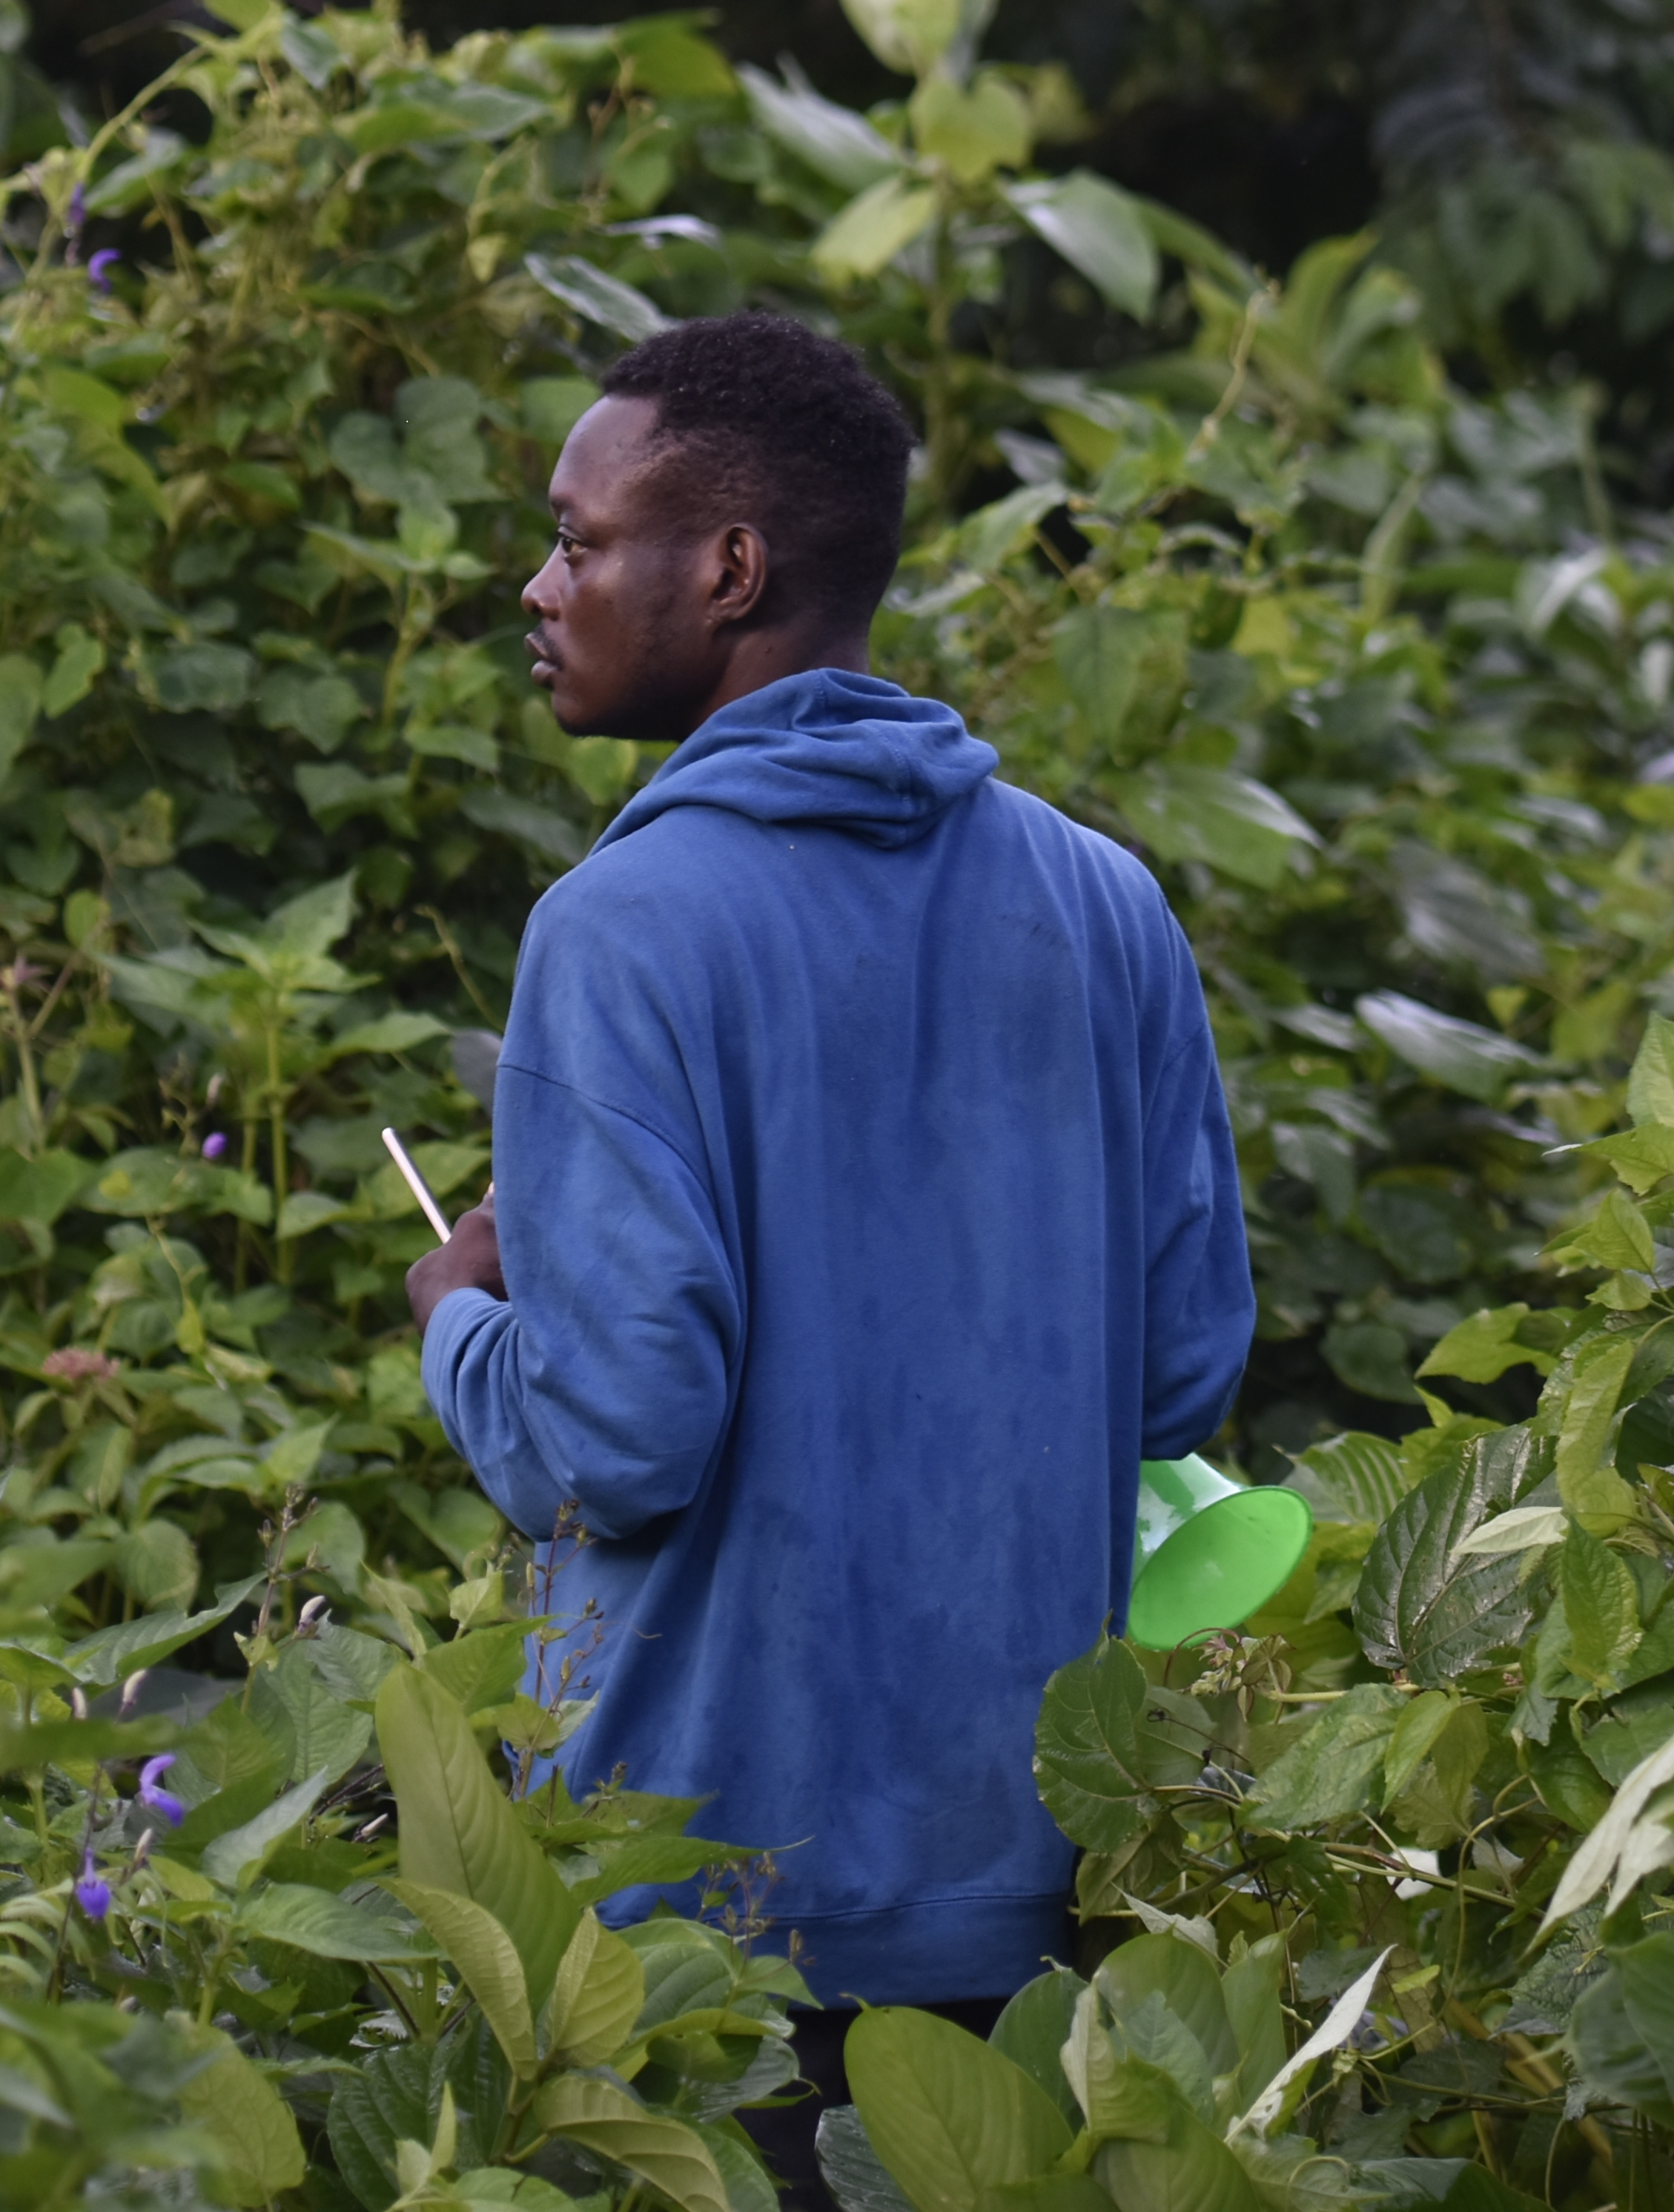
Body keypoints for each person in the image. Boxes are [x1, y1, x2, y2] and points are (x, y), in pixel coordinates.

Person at [403, 311, 1256, 2193]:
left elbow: (621, 1438)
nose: (539, 586)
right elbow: (1183, 1371)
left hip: (709, 1919)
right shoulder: (1108, 904)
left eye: (577, 536)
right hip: (1034, 1896)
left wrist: (459, 1325)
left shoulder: (619, 930)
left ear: (728, 568)